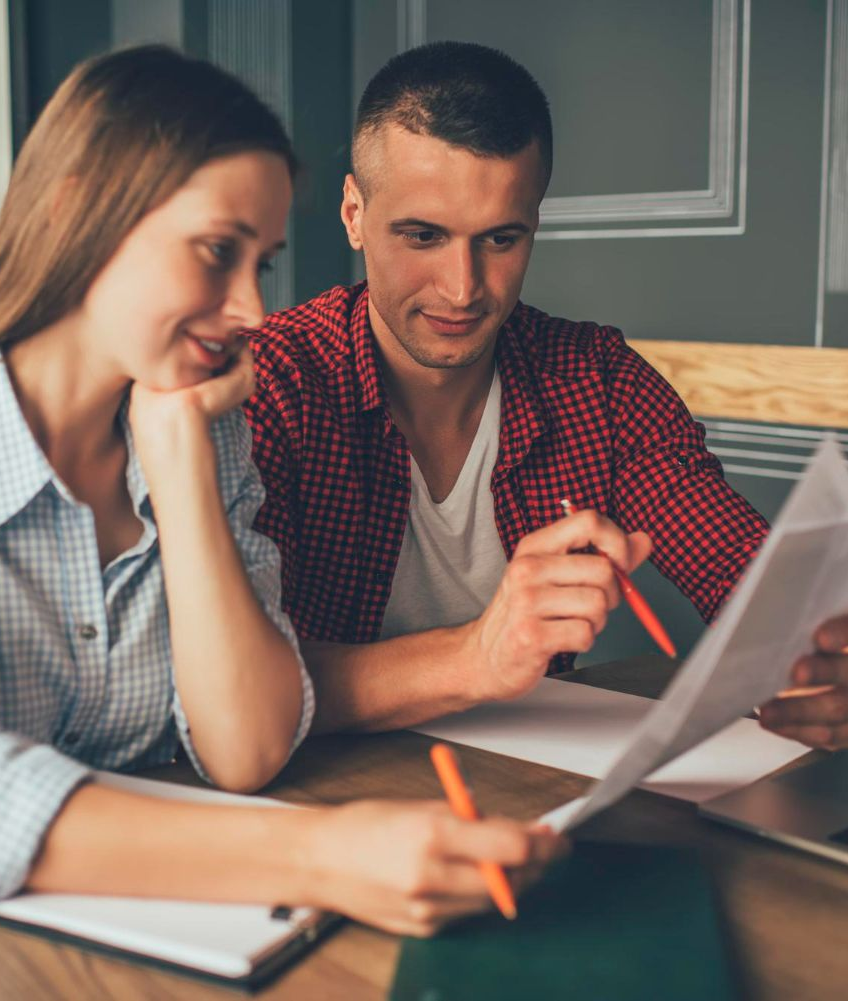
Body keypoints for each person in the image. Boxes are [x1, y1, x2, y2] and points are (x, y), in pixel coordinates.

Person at [0, 45, 562, 1000]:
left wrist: (175, 459)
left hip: (135, 950)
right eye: (219, 253)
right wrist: (325, 851)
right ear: (78, 209)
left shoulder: (204, 437)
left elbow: (245, 747)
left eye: (261, 264)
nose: (254, 307)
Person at [243, 40, 848, 747]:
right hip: (315, 799)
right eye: (423, 235)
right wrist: (475, 655)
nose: (461, 288)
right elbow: (228, 687)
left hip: (536, 791)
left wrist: (810, 653)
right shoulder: (270, 384)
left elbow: (740, 576)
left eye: (500, 239)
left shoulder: (598, 380)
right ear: (353, 212)